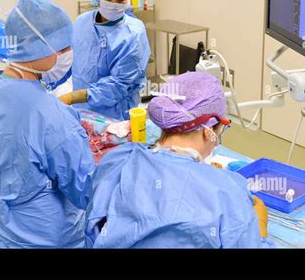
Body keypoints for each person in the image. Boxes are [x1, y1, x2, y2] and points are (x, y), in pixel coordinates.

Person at [85, 72, 272, 248]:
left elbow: (93, 232)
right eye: (221, 128)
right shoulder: (227, 191)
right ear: (209, 131)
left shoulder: (118, 160)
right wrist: (261, 229)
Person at [0, 0, 96, 248]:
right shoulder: (51, 116)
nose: (68, 54)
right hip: (38, 239)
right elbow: (85, 190)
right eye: (62, 48)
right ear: (37, 48)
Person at [62, 0, 150, 120]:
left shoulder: (134, 33)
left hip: (115, 116)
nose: (114, 3)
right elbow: (69, 60)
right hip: (80, 110)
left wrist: (73, 97)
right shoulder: (82, 22)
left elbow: (119, 85)